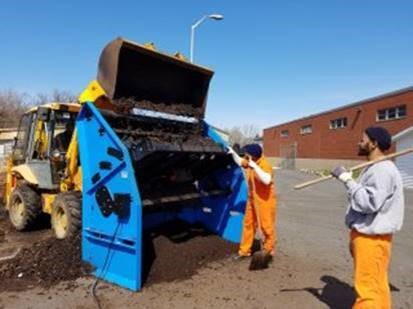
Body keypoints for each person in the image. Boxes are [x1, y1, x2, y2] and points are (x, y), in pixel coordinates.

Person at [331, 126, 404, 309]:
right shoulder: (375, 168)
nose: (359, 142)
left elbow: (369, 203)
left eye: (362, 139)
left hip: (372, 239)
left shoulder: (382, 170)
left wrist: (348, 181)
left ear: (374, 143)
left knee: (368, 290)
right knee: (377, 286)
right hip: (369, 235)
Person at [228, 143, 277, 258]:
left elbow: (267, 180)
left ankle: (268, 251)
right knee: (248, 224)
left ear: (254, 156)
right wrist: (233, 154)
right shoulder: (250, 161)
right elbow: (241, 162)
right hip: (252, 199)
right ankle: (244, 251)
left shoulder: (264, 164)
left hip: (265, 201)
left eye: (247, 154)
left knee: (266, 227)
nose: (245, 156)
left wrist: (255, 167)